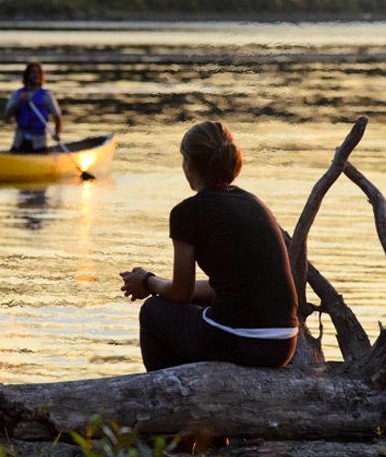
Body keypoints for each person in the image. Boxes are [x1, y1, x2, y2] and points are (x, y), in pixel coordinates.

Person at [120, 121, 299, 372]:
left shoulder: (186, 213)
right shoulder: (254, 203)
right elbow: (227, 289)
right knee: (199, 307)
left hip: (241, 341)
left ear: (189, 164)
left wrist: (148, 281)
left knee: (153, 312)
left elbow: (181, 293)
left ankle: (170, 397)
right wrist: (155, 284)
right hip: (284, 343)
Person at [3, 62, 63, 152]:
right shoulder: (16, 94)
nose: (36, 75)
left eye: (38, 73)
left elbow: (58, 118)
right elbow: (6, 117)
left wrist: (57, 133)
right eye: (33, 72)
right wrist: (19, 101)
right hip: (20, 142)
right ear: (27, 75)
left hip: (39, 144)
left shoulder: (46, 95)